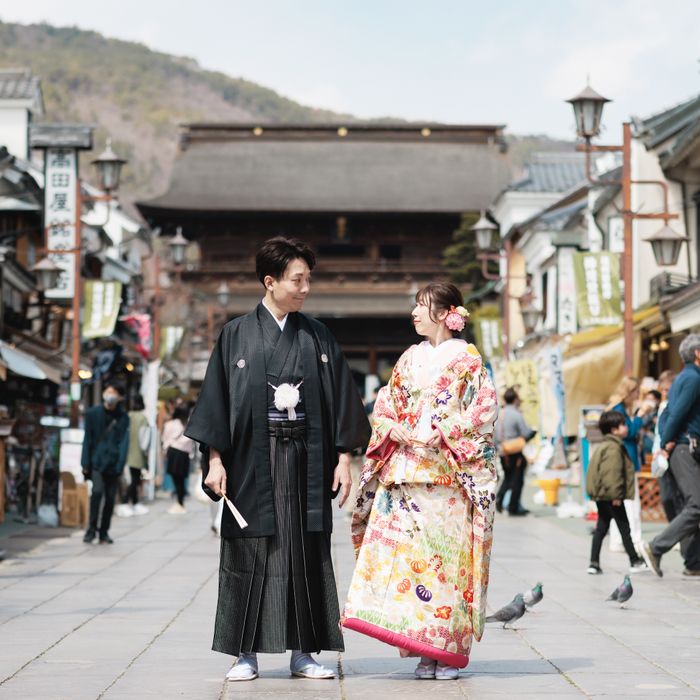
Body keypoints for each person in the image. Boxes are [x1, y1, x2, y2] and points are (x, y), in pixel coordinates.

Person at [185, 236, 371, 682]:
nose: (306, 288)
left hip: (306, 461)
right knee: (249, 552)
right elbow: (215, 402)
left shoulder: (317, 336)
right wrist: (215, 459)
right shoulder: (235, 335)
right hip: (251, 461)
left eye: (309, 279)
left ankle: (304, 653)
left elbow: (341, 400)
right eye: (297, 279)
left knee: (305, 553)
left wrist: (344, 457)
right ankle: (244, 653)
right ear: (270, 282)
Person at [343, 282, 498, 680]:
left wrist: (445, 431)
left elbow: (483, 408)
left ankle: (446, 651)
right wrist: (390, 426)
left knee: (446, 566)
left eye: (423, 306)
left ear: (447, 313)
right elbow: (386, 402)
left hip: (448, 476)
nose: (414, 313)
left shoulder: (468, 359)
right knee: (414, 569)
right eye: (415, 305)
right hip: (406, 472)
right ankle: (422, 646)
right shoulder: (409, 358)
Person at [642, 334, 700, 577]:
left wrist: (665, 442)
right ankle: (656, 548)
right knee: (696, 504)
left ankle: (694, 562)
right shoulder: (694, 378)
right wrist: (667, 442)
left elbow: (667, 413)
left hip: (680, 447)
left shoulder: (681, 379)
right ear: (697, 353)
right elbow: (675, 414)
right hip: (685, 447)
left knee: (691, 504)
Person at [585, 410, 647, 575]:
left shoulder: (605, 445)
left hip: (602, 495)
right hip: (612, 496)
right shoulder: (614, 448)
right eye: (623, 425)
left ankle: (594, 562)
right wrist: (616, 495)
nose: (626, 427)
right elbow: (612, 473)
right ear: (614, 430)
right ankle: (634, 561)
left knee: (601, 527)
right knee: (624, 527)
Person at [605, 376, 654, 550]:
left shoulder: (620, 408)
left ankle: (619, 539)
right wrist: (640, 416)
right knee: (631, 501)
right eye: (635, 391)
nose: (637, 394)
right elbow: (629, 432)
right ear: (628, 391)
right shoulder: (619, 409)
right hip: (626, 458)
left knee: (622, 500)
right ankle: (633, 538)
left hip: (624, 457)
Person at [82, 381, 130, 544]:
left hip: (114, 463)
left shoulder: (123, 418)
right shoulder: (92, 414)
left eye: (114, 392)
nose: (110, 395)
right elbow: (87, 438)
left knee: (110, 499)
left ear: (120, 397)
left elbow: (124, 442)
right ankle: (91, 530)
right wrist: (85, 463)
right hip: (96, 462)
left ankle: (104, 532)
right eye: (108, 391)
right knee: (96, 493)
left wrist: (121, 464)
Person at [495, 387, 536, 516]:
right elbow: (525, 432)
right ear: (515, 399)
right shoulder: (516, 414)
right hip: (515, 451)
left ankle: (499, 499)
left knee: (507, 478)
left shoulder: (499, 414)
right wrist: (533, 433)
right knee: (517, 480)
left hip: (503, 451)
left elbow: (494, 436)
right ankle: (513, 507)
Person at [116, 395, 150, 517]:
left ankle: (135, 503)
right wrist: (146, 453)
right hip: (137, 453)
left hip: (126, 452)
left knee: (133, 478)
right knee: (135, 479)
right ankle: (124, 502)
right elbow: (144, 440)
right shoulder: (142, 418)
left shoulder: (127, 416)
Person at [162, 405, 194, 514]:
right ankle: (180, 502)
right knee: (181, 479)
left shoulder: (171, 424)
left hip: (174, 452)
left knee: (176, 478)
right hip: (184, 454)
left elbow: (165, 438)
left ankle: (179, 502)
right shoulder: (189, 424)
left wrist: (165, 449)